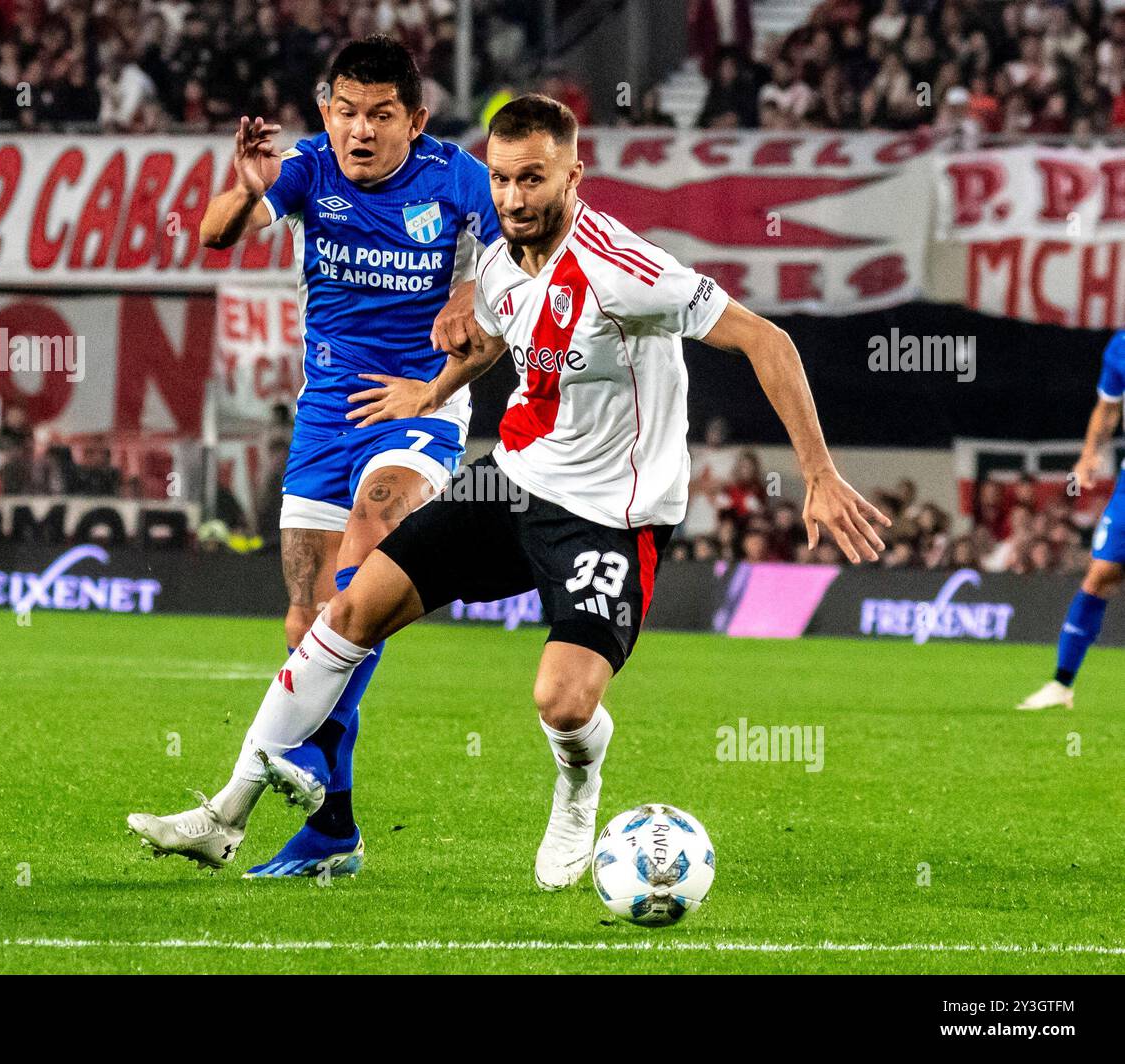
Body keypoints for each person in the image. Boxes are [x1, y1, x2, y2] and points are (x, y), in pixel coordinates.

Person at [129, 94, 889, 888]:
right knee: (345, 611)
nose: (514, 199)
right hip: (514, 483)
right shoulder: (498, 260)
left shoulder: (627, 273)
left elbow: (768, 340)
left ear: (573, 174)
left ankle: (578, 784)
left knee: (562, 702)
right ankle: (227, 812)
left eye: (533, 179)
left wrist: (819, 472)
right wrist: (435, 387)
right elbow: (499, 333)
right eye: (500, 180)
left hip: (609, 517)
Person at [174, 36, 500, 878]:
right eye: (346, 111)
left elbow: (525, 262)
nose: (361, 131)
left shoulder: (458, 176)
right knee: (305, 624)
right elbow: (213, 236)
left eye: (380, 115)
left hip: (418, 407)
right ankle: (333, 830)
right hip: (325, 415)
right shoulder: (308, 168)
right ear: (326, 112)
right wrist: (247, 192)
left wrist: (475, 286)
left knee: (374, 523)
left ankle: (296, 774)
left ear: (415, 119)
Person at [1017, 332, 1125, 710]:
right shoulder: (1120, 347)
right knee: (1100, 575)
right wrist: (1088, 455)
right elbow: (1108, 408)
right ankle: (1062, 683)